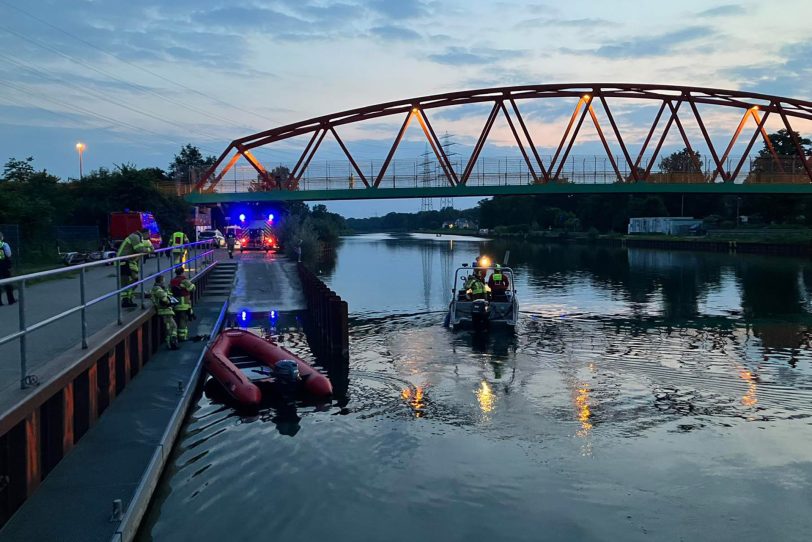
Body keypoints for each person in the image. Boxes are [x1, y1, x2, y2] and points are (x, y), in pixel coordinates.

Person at [117, 228, 154, 308]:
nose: (149, 236)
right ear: (145, 233)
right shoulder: (135, 237)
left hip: (127, 261)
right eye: (149, 234)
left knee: (132, 280)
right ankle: (125, 300)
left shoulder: (138, 237)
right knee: (127, 281)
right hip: (124, 261)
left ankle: (128, 298)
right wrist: (149, 250)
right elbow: (139, 249)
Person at [150, 275, 178, 349]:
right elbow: (163, 298)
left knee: (171, 327)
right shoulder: (157, 289)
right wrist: (170, 302)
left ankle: (172, 341)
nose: (164, 282)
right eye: (163, 281)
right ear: (161, 281)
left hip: (166, 310)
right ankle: (170, 343)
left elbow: (167, 294)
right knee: (171, 327)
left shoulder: (160, 288)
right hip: (164, 310)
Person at [170, 267, 196, 341]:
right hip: (183, 303)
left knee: (177, 319)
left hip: (175, 303)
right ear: (182, 272)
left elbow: (170, 291)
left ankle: (175, 335)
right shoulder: (184, 280)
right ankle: (182, 337)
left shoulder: (172, 281)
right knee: (183, 319)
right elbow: (192, 288)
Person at [0, 232, 16, 305]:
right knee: (8, 283)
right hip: (5, 266)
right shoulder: (4, 245)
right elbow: (8, 254)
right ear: (1, 237)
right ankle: (11, 300)